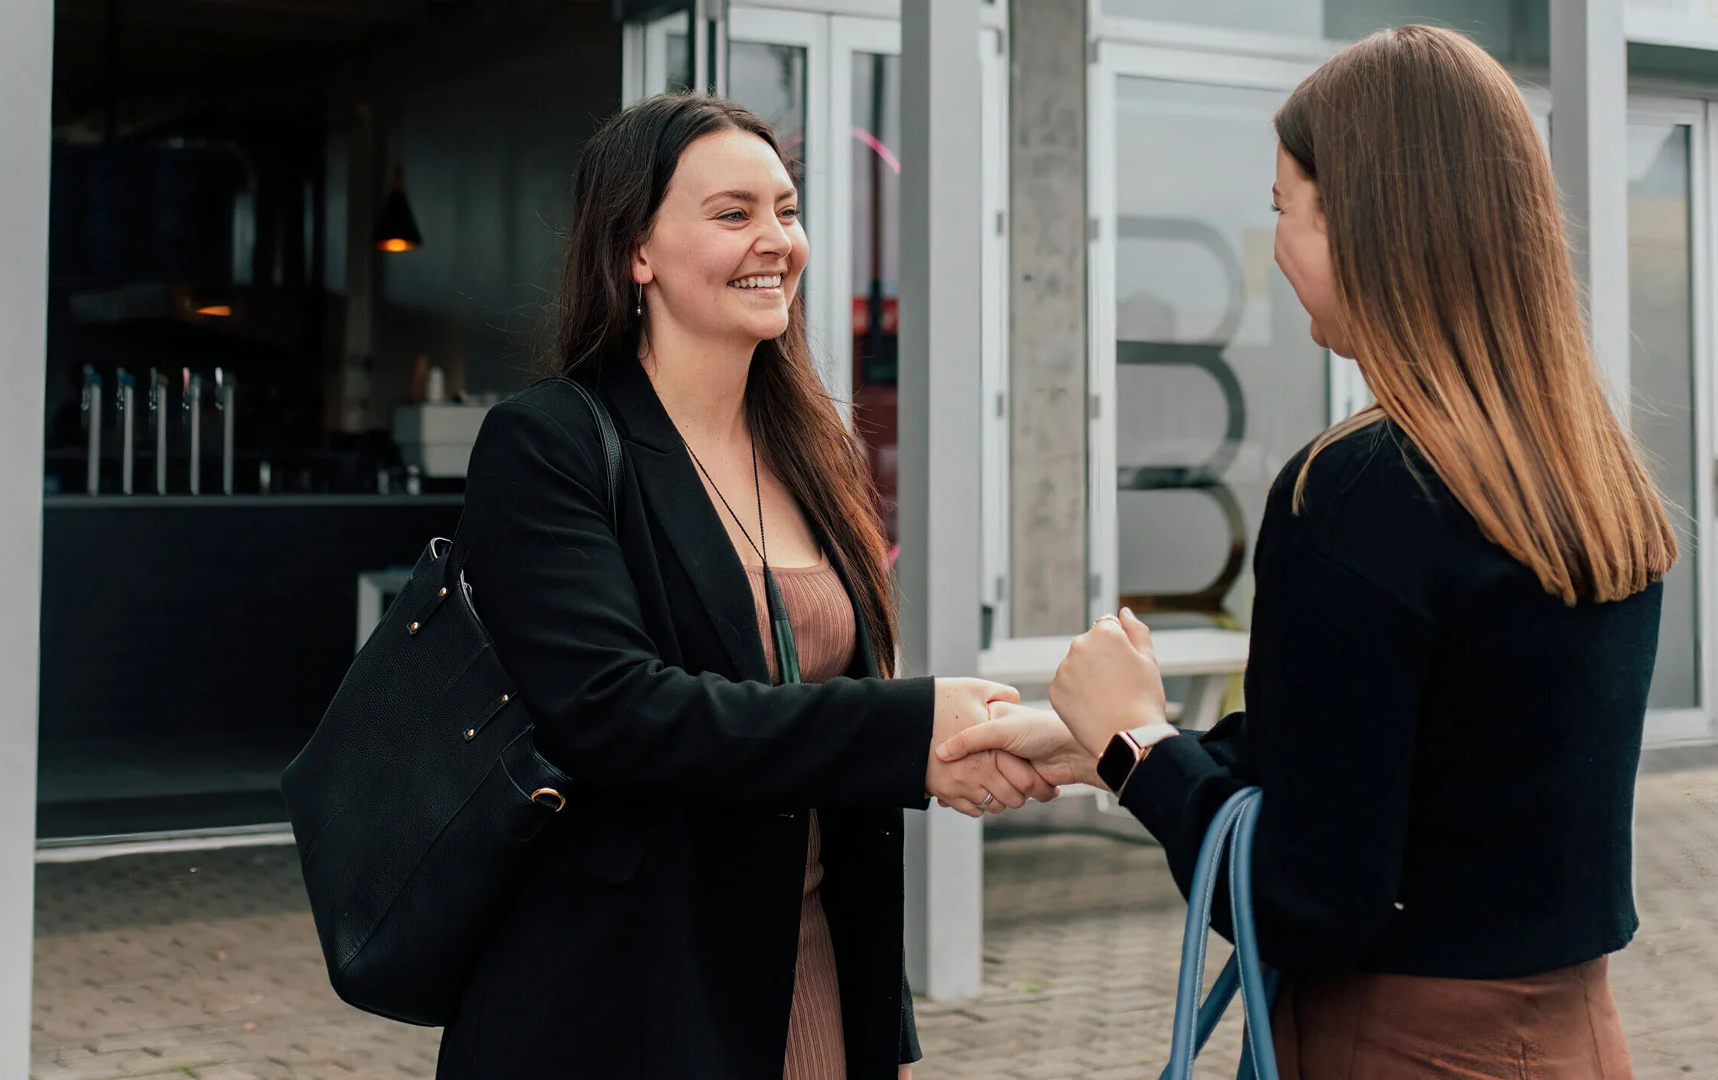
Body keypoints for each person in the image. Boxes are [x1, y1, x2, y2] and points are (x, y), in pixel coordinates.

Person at [940, 25, 1672, 1079]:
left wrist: (1141, 754)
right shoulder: (1590, 477)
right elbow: (1395, 760)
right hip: (1574, 1038)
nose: (1275, 243)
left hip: (1404, 1044)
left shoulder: (1362, 488)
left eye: (1285, 206)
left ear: (1364, 221)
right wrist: (1109, 744)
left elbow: (1309, 901)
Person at [437, 93, 1054, 1079]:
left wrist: (1014, 740)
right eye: (733, 215)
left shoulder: (812, 448)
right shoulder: (549, 442)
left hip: (808, 965)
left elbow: (826, 717)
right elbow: (615, 711)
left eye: (788, 209)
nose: (776, 241)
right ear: (635, 250)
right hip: (627, 995)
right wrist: (911, 732)